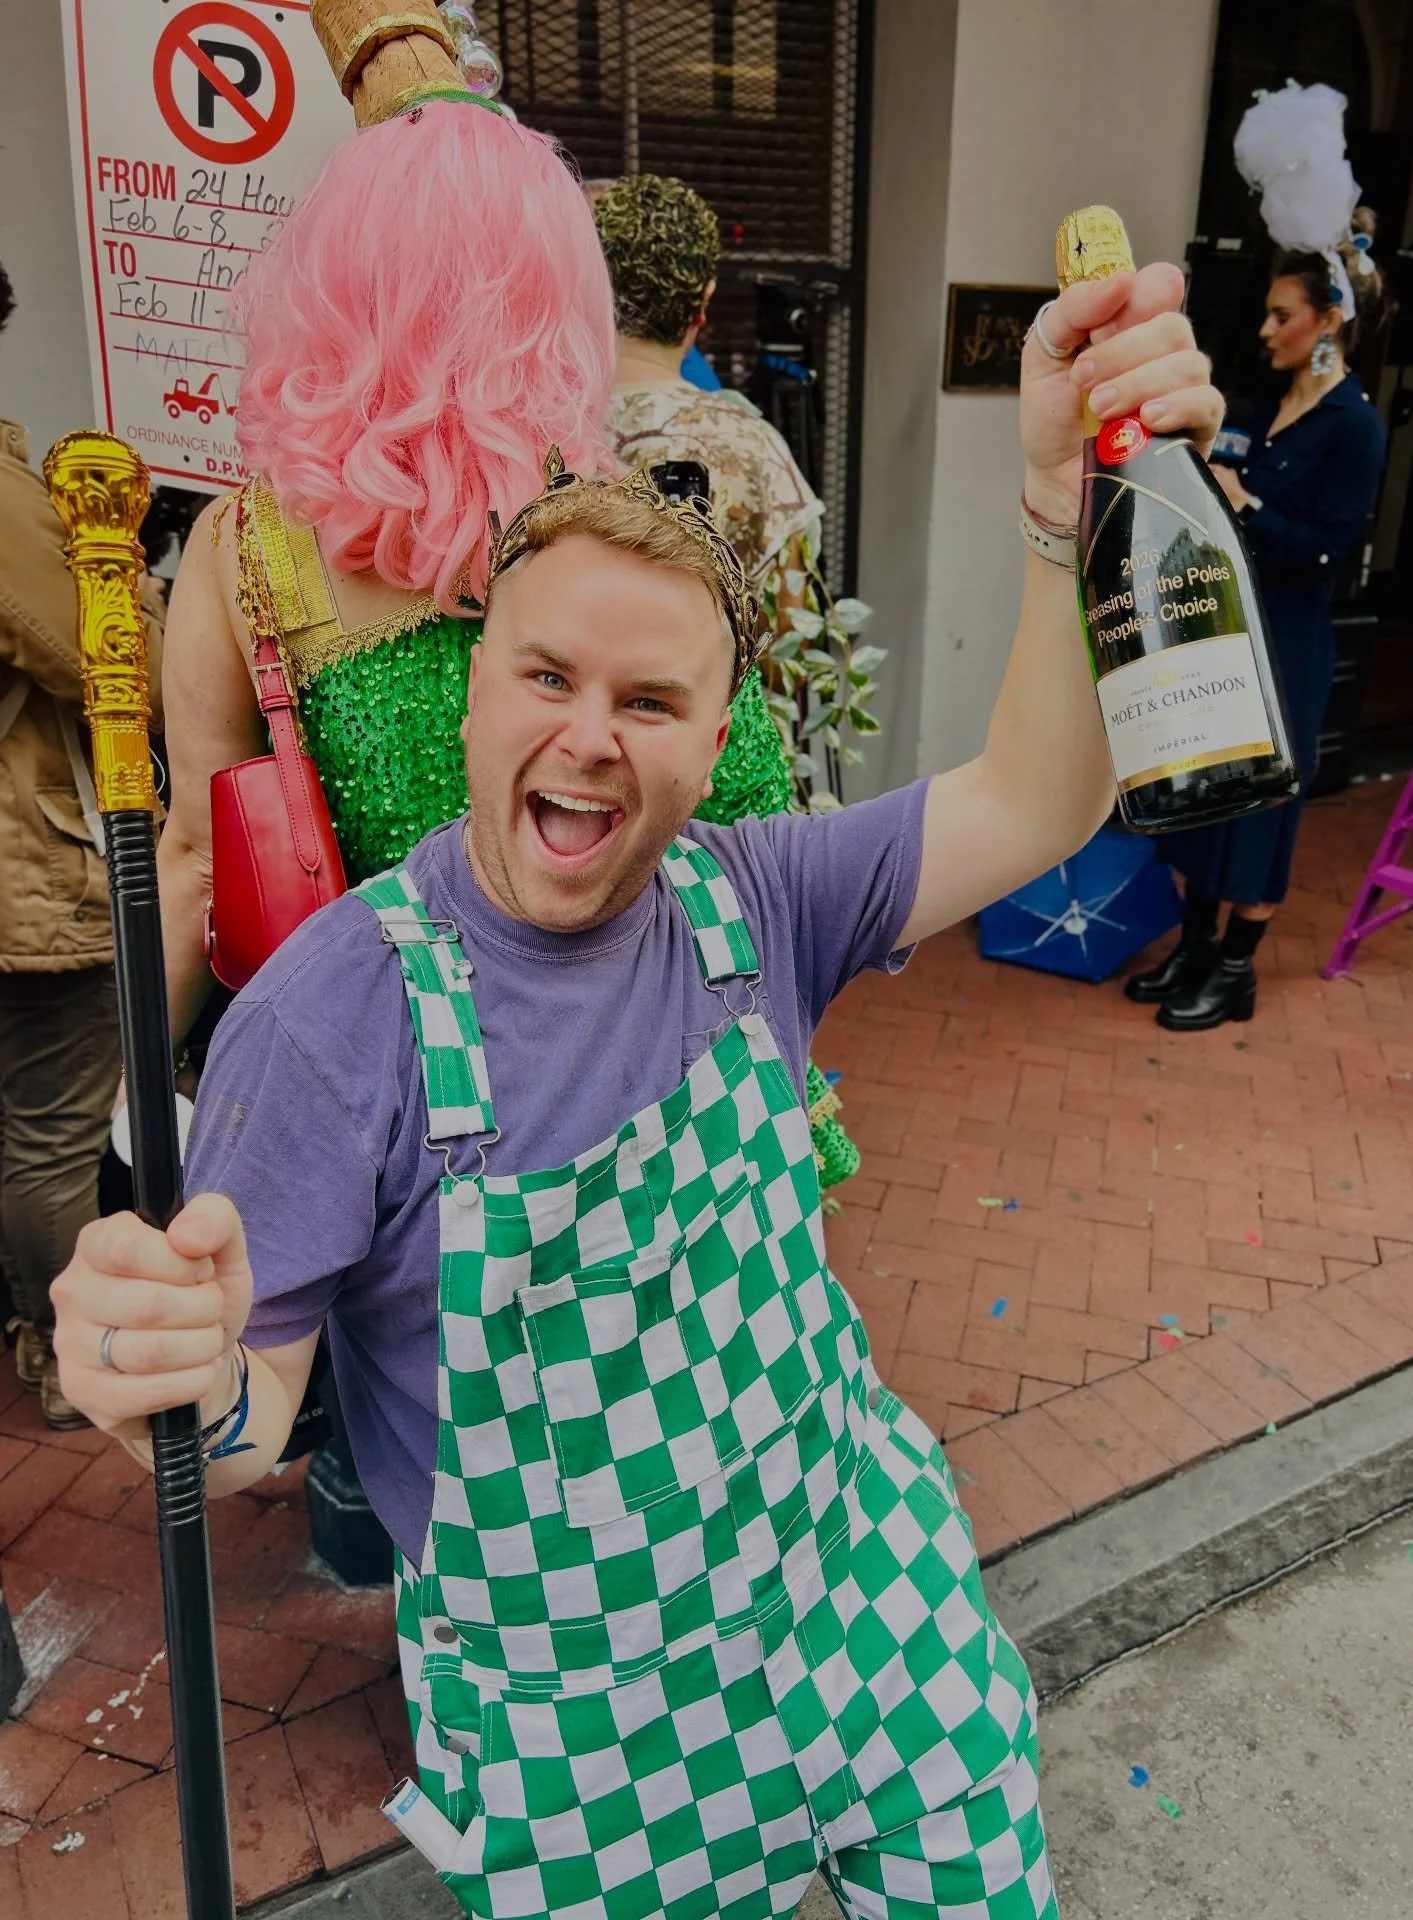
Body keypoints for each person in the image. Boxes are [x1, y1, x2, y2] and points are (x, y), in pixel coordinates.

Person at [52, 254, 1220, 1917]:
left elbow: (1041, 796)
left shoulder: (761, 901)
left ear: (717, 736)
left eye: (651, 700)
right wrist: (162, 1376)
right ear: (476, 689)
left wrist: (1063, 510)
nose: (592, 736)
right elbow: (242, 1419)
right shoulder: (333, 1015)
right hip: (585, 1743)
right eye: (549, 676)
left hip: (865, 1609)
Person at [154, 3, 618, 1051]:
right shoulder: (618, 526)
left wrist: (125, 1097)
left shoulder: (245, 544)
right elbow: (747, 815)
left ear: (335, 279)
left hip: (377, 1079)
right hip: (614, 1064)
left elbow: (198, 864)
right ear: (552, 283)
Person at [593, 171, 859, 1190]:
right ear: (701, 305)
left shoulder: (534, 434)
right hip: (718, 784)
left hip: (579, 774)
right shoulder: (746, 445)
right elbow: (790, 639)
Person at [1126, 88, 1389, 1030]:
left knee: (1264, 809)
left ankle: (1234, 970)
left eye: (1284, 316)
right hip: (1228, 633)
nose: (1268, 331)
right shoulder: (1262, 408)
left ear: (1328, 321)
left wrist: (1247, 502)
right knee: (1210, 790)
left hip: (1291, 642)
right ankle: (1195, 947)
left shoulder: (1354, 428)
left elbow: (1328, 553)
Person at [0, 259, 164, 1427]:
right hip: (34, 875)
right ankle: (62, 1355)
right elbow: (122, 669)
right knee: (52, 1136)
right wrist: (138, 577)